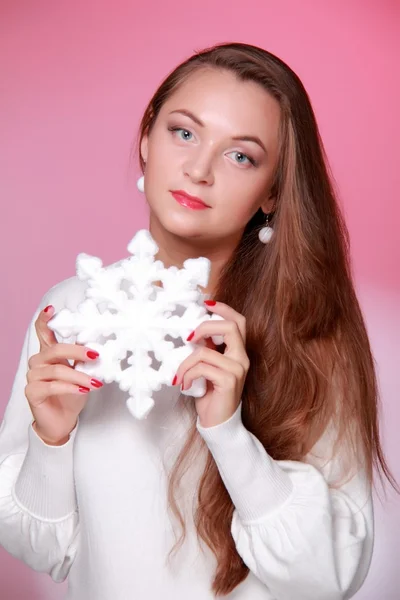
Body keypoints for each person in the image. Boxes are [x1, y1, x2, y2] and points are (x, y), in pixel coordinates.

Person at [0, 42, 397, 600]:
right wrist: (50, 437)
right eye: (183, 133)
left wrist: (228, 434)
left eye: (241, 156)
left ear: (272, 192)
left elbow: (327, 579)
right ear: (145, 139)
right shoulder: (72, 313)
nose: (199, 169)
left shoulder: (311, 333)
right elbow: (44, 550)